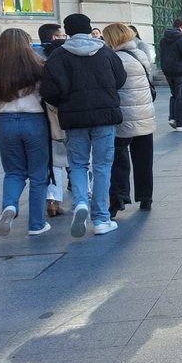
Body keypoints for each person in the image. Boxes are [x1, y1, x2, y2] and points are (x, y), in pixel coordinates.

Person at [40, 13, 127, 237]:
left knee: (77, 164)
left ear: (67, 32)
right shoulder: (105, 52)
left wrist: (65, 103)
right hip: (105, 117)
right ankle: (101, 219)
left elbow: (48, 91)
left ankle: (80, 202)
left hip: (74, 119)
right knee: (102, 166)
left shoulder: (58, 56)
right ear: (89, 29)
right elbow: (120, 78)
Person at [0, 28, 51, 236]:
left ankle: (10, 206)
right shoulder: (37, 65)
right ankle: (36, 224)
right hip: (34, 120)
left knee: (13, 171)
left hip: (5, 121)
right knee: (38, 174)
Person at [102, 23, 156, 218]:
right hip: (144, 114)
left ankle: (118, 197)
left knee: (118, 158)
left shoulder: (112, 58)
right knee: (144, 158)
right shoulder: (140, 54)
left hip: (123, 116)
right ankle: (145, 197)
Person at [38, 23, 68, 218]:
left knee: (50, 160)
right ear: (55, 37)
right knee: (67, 159)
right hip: (58, 113)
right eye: (61, 35)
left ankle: (52, 198)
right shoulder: (60, 56)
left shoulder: (34, 57)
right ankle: (84, 194)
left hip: (37, 115)